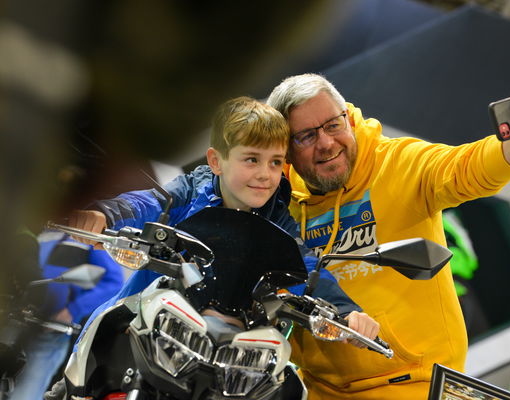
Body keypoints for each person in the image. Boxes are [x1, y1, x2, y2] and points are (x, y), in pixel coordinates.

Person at [266, 73, 510, 399]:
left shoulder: (398, 163)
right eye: (305, 136)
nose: (326, 143)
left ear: (347, 117)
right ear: (285, 149)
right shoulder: (276, 201)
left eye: (333, 125)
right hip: (320, 391)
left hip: (415, 385)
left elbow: (468, 169)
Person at [67, 96, 379, 343]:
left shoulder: (278, 219)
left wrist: (346, 313)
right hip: (145, 320)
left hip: (223, 339)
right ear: (217, 161)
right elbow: (148, 202)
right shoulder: (191, 190)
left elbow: (306, 268)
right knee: (90, 363)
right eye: (251, 159)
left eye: (275, 163)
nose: (264, 175)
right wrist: (103, 215)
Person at [10, 231, 124, 400]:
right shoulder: (41, 233)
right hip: (18, 322)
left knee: (26, 394)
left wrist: (72, 310)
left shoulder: (87, 237)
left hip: (51, 331)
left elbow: (114, 281)